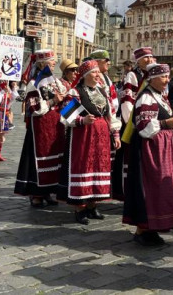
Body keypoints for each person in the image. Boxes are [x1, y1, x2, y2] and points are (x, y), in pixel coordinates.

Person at [123, 63, 173, 246]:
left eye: (167, 77)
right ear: (152, 78)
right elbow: (144, 127)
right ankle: (142, 229)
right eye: (163, 77)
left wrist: (172, 123)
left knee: (160, 189)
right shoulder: (146, 97)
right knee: (149, 187)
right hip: (150, 150)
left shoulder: (159, 96)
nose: (167, 80)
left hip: (161, 149)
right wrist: (166, 124)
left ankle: (152, 228)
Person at [59, 60, 121, 224]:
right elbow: (65, 115)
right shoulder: (75, 92)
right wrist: (82, 120)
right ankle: (80, 208)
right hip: (83, 136)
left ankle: (92, 206)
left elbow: (111, 115)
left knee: (99, 167)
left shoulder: (102, 92)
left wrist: (115, 134)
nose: (98, 75)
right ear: (85, 75)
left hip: (101, 136)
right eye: (94, 72)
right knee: (84, 166)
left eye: (98, 72)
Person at [14, 50, 66, 208]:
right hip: (40, 127)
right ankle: (36, 194)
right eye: (51, 61)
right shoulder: (34, 83)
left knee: (55, 157)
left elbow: (63, 98)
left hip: (55, 125)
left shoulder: (55, 81)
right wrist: (53, 101)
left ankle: (48, 191)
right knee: (40, 159)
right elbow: (34, 107)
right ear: (42, 64)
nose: (54, 63)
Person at [116, 47, 155, 201]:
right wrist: (133, 123)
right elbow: (127, 102)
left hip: (149, 123)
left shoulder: (153, 75)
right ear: (138, 61)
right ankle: (129, 192)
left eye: (151, 57)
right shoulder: (132, 75)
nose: (149, 60)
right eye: (146, 58)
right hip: (135, 123)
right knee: (131, 158)